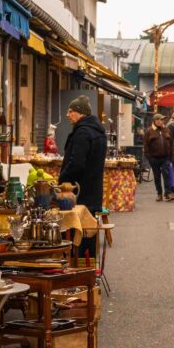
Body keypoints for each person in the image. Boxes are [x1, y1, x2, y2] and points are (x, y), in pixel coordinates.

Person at [58, 95, 108, 257]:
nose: (67, 114)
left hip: (79, 192)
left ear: (80, 113)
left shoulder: (82, 133)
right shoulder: (97, 131)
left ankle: (76, 271)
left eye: (71, 111)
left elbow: (76, 163)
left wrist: (63, 179)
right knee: (89, 232)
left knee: (77, 234)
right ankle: (88, 271)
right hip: (93, 192)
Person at [143, 113, 174, 201]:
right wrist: (149, 158)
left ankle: (167, 193)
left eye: (162, 120)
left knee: (166, 175)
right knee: (157, 176)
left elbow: (171, 144)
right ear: (155, 121)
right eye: (160, 120)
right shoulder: (149, 131)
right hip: (154, 158)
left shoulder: (167, 130)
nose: (162, 121)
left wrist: (171, 158)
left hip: (165, 158)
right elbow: (145, 145)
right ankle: (159, 194)